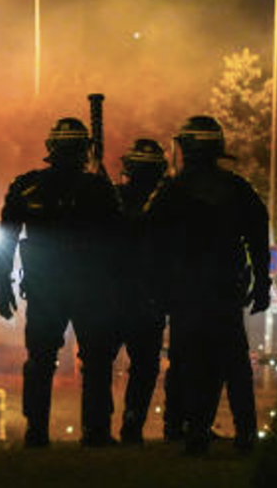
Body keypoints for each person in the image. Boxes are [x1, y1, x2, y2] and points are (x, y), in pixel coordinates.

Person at [146, 115, 271, 455]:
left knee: (189, 363)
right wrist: (262, 285)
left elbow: (151, 245)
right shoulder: (239, 190)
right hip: (226, 291)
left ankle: (196, 433)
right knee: (233, 363)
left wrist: (157, 293)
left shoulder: (171, 192)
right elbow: (259, 241)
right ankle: (246, 433)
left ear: (185, 148)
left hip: (185, 293)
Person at [0, 117, 121, 448]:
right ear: (84, 150)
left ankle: (37, 432)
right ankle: (95, 433)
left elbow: (5, 241)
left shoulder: (28, 185)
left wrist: (2, 285)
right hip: (88, 289)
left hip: (46, 288)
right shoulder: (98, 188)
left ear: (51, 147)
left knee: (41, 361)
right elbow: (120, 243)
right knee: (95, 362)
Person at [112, 138, 175, 444]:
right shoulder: (166, 205)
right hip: (148, 298)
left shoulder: (111, 198)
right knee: (145, 367)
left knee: (100, 366)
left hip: (114, 296)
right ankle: (131, 426)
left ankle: (96, 428)